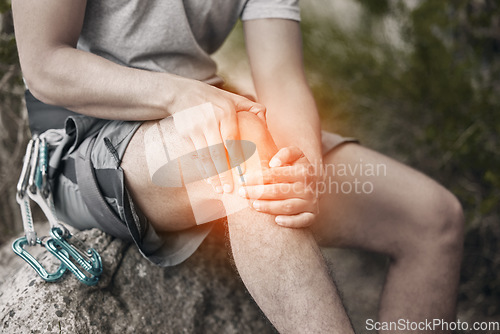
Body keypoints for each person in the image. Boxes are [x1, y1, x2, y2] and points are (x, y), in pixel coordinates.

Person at [12, 0, 464, 332]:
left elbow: (282, 77)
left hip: (207, 108)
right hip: (89, 134)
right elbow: (44, 65)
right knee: (242, 146)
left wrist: (301, 166)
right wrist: (176, 94)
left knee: (430, 218)